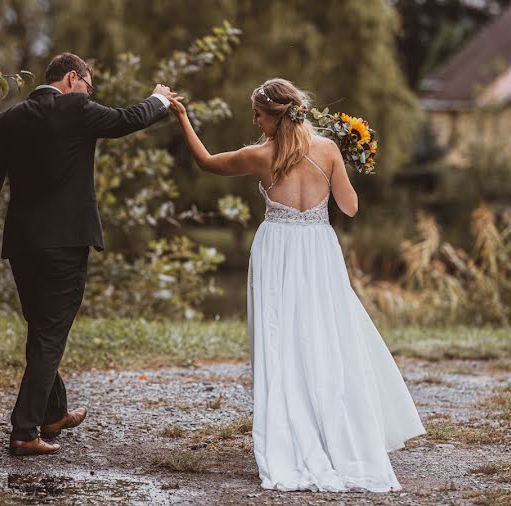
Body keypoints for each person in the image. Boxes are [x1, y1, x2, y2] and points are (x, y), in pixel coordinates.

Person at [168, 78, 425, 492]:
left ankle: (294, 427)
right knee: (326, 333)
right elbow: (351, 207)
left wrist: (182, 117)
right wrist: (345, 162)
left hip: (277, 250)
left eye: (258, 114)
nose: (254, 121)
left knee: (281, 340)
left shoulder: (259, 156)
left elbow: (207, 162)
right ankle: (335, 427)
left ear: (274, 114)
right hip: (319, 249)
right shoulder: (328, 149)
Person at [0, 53, 175, 456]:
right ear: (73, 78)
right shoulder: (76, 108)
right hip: (65, 244)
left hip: (23, 245)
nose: (90, 95)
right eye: (89, 87)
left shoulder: (7, 121)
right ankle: (24, 432)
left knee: (42, 328)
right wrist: (159, 98)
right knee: (50, 334)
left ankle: (53, 414)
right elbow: (126, 119)